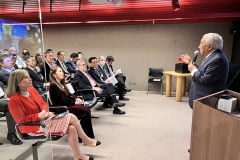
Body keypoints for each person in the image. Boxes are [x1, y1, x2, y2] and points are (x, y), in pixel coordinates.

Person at [6, 69, 100, 160]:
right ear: (18, 82)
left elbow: (44, 103)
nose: (30, 79)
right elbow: (21, 120)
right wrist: (38, 116)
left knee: (72, 128)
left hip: (44, 120)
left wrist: (43, 112)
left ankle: (78, 155)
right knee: (71, 116)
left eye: (29, 76)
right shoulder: (14, 100)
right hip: (33, 127)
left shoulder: (31, 90)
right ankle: (85, 139)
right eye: (26, 78)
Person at [180, 33, 229, 109]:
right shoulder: (213, 57)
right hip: (203, 100)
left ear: (210, 46)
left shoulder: (218, 59)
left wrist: (193, 70)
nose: (199, 46)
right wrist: (190, 63)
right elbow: (203, 72)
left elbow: (205, 80)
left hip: (207, 102)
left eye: (201, 42)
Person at [49, 66, 95, 139]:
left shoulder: (62, 83)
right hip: (61, 108)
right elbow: (62, 100)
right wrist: (74, 102)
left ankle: (85, 135)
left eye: (62, 71)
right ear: (54, 74)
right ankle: (84, 136)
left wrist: (76, 98)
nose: (62, 73)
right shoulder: (53, 85)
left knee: (87, 109)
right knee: (85, 112)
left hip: (67, 104)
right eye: (60, 71)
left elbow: (70, 94)